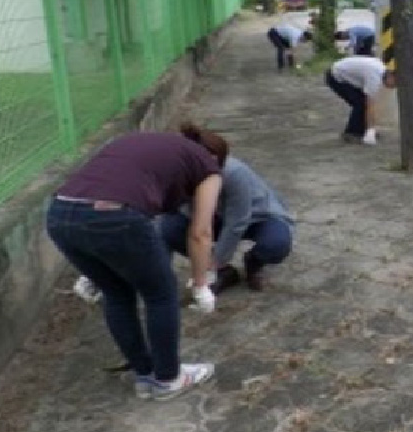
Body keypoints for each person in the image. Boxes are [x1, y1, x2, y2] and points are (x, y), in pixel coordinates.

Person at [46, 131, 223, 399]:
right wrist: (201, 284)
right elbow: (200, 233)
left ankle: (145, 375)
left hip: (59, 214)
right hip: (113, 215)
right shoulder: (208, 167)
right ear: (213, 157)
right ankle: (167, 379)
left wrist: (93, 272)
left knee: (116, 293)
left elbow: (104, 189)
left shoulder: (143, 144)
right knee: (161, 293)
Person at [159, 124, 294, 294]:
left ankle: (253, 261)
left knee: (276, 244)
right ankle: (225, 273)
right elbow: (177, 212)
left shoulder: (235, 173)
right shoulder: (178, 173)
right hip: (212, 217)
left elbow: (237, 221)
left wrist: (215, 261)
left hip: (256, 217)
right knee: (168, 228)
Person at [325, 56, 397, 144]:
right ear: (391, 76)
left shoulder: (381, 70)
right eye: (395, 83)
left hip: (344, 72)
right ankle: (351, 133)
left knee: (362, 103)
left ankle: (362, 130)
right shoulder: (374, 77)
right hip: (336, 76)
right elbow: (370, 105)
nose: (394, 87)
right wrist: (371, 128)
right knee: (361, 104)